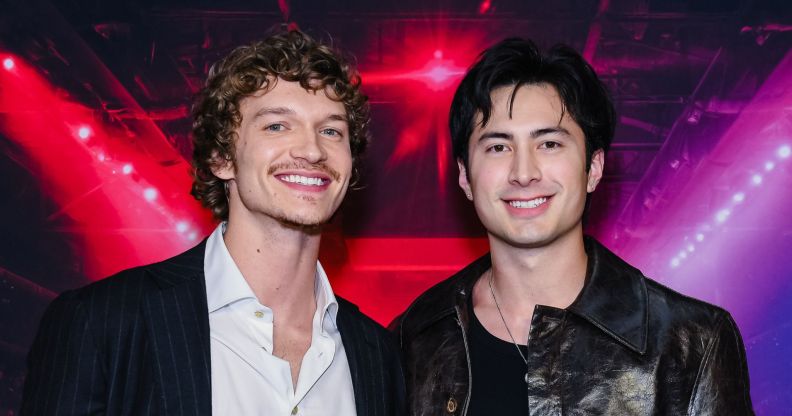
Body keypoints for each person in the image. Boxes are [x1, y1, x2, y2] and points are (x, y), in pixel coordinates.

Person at [22, 30, 404, 416]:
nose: (312, 149)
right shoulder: (102, 322)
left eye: (331, 131)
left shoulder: (378, 355)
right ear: (221, 158)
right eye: (277, 125)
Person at [392, 38, 753, 415]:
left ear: (593, 168)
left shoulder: (690, 345)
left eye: (549, 144)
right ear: (465, 176)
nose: (524, 173)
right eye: (498, 147)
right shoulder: (413, 338)